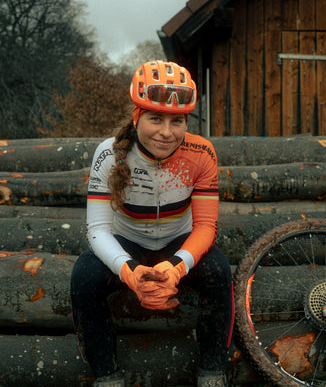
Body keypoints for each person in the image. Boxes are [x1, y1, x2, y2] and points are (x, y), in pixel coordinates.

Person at [70, 60, 234, 387]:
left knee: (219, 271)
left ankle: (213, 373)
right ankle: (107, 376)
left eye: (177, 121)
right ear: (137, 116)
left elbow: (205, 228)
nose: (166, 132)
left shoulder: (202, 153)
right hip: (127, 241)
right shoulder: (108, 154)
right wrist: (129, 271)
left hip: (179, 240)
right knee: (84, 276)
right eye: (155, 118)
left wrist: (175, 268)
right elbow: (98, 230)